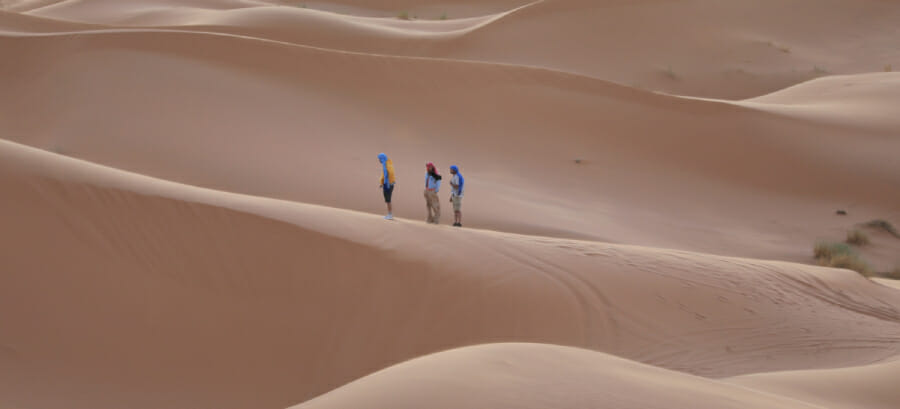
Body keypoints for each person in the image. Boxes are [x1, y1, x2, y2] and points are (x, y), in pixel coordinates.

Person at [378, 153, 396, 220]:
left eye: (379, 159)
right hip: (387, 184)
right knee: (387, 200)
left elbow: (389, 173)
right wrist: (382, 182)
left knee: (388, 200)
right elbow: (384, 174)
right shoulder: (386, 164)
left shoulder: (387, 165)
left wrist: (387, 183)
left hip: (388, 185)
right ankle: (389, 214)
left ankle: (390, 214)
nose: (378, 160)